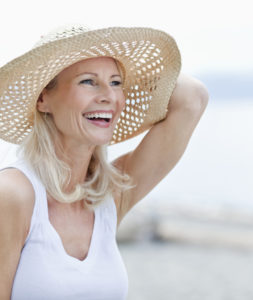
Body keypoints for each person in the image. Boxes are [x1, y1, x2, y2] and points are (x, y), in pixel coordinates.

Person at [0, 25, 208, 299]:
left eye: (116, 82)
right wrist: (49, 61)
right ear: (42, 98)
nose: (109, 96)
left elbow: (193, 97)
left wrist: (124, 73)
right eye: (88, 81)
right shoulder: (13, 194)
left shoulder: (110, 194)